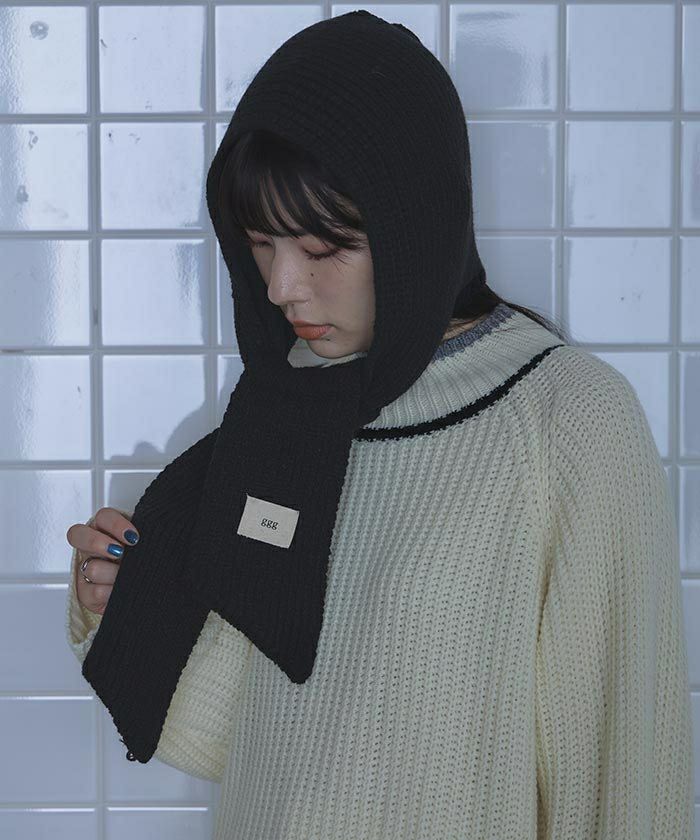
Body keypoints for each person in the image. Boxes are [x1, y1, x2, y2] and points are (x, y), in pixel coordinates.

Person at [65, 10, 693, 840]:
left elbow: (623, 777)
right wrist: (127, 605)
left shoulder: (566, 421)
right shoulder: (286, 411)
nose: (282, 287)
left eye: (322, 248)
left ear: (414, 224)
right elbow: (248, 738)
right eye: (261, 243)